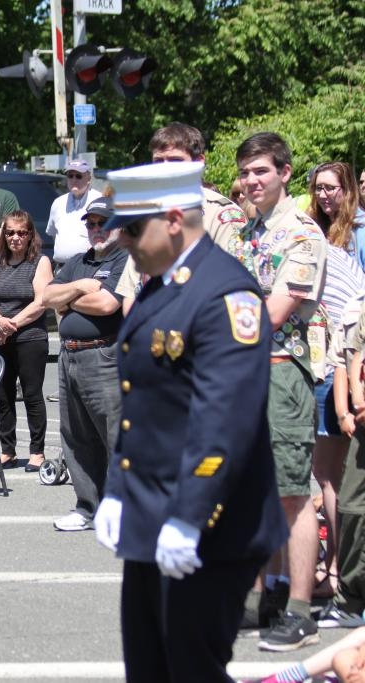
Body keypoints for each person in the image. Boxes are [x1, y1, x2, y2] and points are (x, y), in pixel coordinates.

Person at [92, 160, 287, 683]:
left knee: (192, 670)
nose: (124, 241)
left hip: (210, 524)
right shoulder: (162, 285)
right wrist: (117, 490)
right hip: (152, 514)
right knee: (150, 669)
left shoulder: (226, 295)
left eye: (134, 228)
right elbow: (142, 409)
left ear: (174, 219)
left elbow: (225, 420)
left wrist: (190, 517)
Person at [225, 132, 327, 652]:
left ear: (285, 173)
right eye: (244, 173)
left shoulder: (303, 235)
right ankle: (258, 600)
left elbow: (275, 313)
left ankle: (301, 610)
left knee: (290, 495)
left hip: (280, 371)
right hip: (237, 375)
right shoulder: (240, 231)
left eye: (260, 171)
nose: (250, 181)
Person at [44, 196, 128, 532]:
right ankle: (87, 506)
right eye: (91, 224)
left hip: (105, 354)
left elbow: (108, 303)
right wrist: (79, 286)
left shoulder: (126, 259)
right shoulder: (79, 262)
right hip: (69, 355)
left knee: (114, 436)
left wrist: (67, 299)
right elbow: (46, 297)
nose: (96, 229)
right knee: (76, 436)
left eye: (103, 223)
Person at [306, 161, 365, 599]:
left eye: (333, 188)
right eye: (319, 188)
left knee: (331, 475)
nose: (325, 196)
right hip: (316, 361)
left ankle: (335, 568)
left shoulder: (357, 235)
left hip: (342, 365)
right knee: (326, 472)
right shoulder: (312, 233)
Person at [116, 122, 248, 315]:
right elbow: (131, 292)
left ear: (199, 162)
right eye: (158, 161)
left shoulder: (223, 215)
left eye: (176, 160)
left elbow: (231, 287)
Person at [0, 210, 52, 472]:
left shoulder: (40, 262)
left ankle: (37, 452)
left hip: (30, 336)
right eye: (10, 232)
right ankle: (8, 451)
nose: (15, 238)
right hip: (0, 334)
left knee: (32, 395)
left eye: (21, 232)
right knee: (4, 396)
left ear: (30, 234)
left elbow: (41, 301)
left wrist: (11, 325)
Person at [308, 160, 365, 270]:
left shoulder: (360, 228)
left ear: (347, 190)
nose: (322, 195)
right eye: (319, 188)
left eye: (330, 188)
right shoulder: (315, 223)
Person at [46, 159, 102, 270]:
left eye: (78, 176)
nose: (74, 179)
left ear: (89, 179)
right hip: (61, 269)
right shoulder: (58, 203)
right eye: (70, 176)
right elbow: (53, 235)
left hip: (89, 268)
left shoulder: (99, 200)